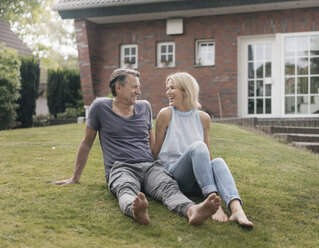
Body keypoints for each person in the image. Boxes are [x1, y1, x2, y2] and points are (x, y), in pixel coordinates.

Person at [52, 68, 221, 225]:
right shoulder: (100, 107)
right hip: (119, 167)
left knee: (168, 188)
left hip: (149, 166)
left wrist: (159, 166)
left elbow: (151, 140)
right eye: (134, 87)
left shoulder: (144, 107)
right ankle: (136, 210)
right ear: (118, 88)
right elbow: (87, 142)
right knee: (125, 189)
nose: (139, 92)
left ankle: (192, 210)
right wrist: (75, 177)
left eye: (139, 87)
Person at [152, 72, 254, 228]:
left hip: (198, 179)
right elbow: (156, 152)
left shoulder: (203, 118)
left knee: (217, 161)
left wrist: (213, 171)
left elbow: (207, 154)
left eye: (172, 88)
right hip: (175, 174)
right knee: (198, 146)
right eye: (167, 88)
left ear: (185, 91)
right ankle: (214, 203)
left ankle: (236, 209)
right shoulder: (166, 114)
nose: (168, 92)